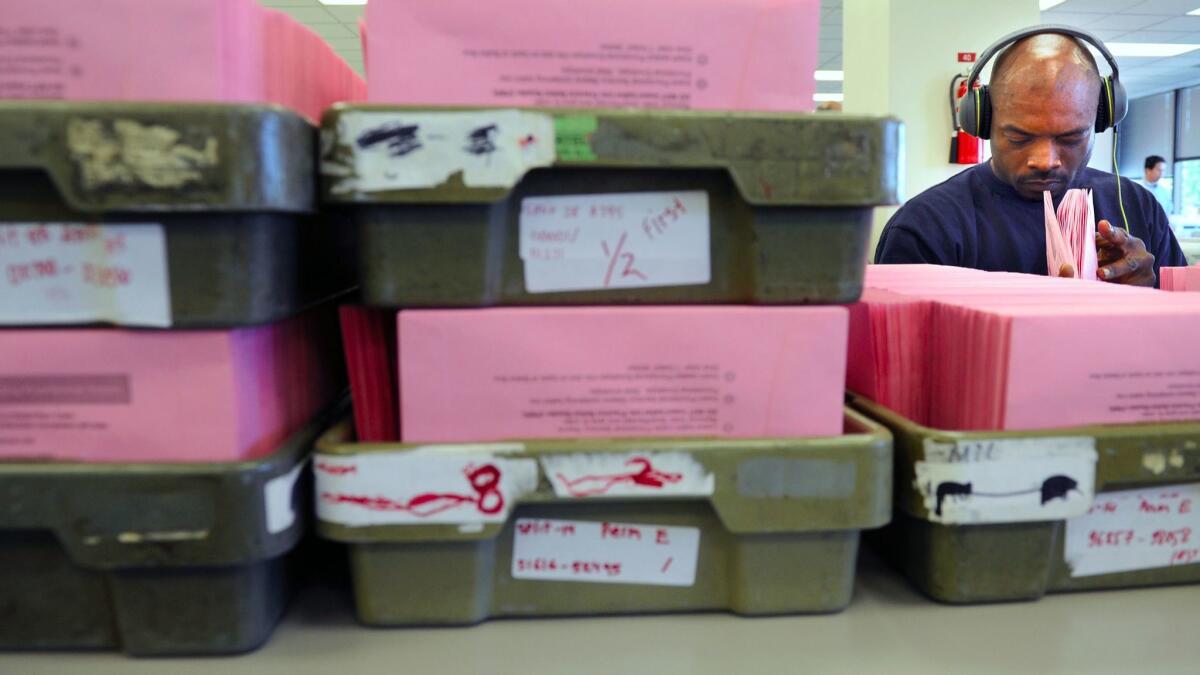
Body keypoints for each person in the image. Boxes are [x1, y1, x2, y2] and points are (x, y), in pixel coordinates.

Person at [875, 30, 1186, 287]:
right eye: (1019, 138)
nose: (1045, 160)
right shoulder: (927, 227)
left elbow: (1184, 339)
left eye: (1070, 138)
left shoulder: (1137, 208)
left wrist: (1150, 294)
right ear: (982, 122)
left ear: (1101, 122)